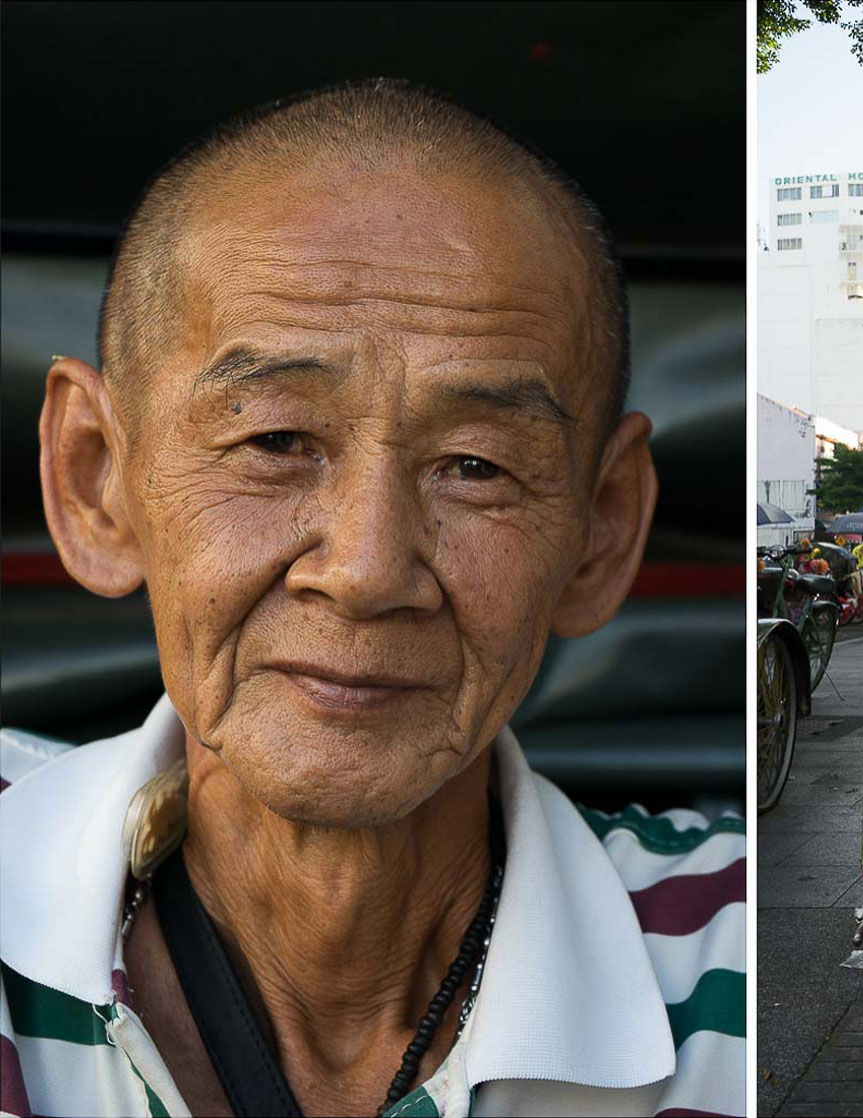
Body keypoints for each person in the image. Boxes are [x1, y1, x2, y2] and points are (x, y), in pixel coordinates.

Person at [0, 79, 744, 1118]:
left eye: (476, 464)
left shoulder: (732, 962)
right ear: (94, 479)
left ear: (602, 527)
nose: (364, 568)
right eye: (273, 441)